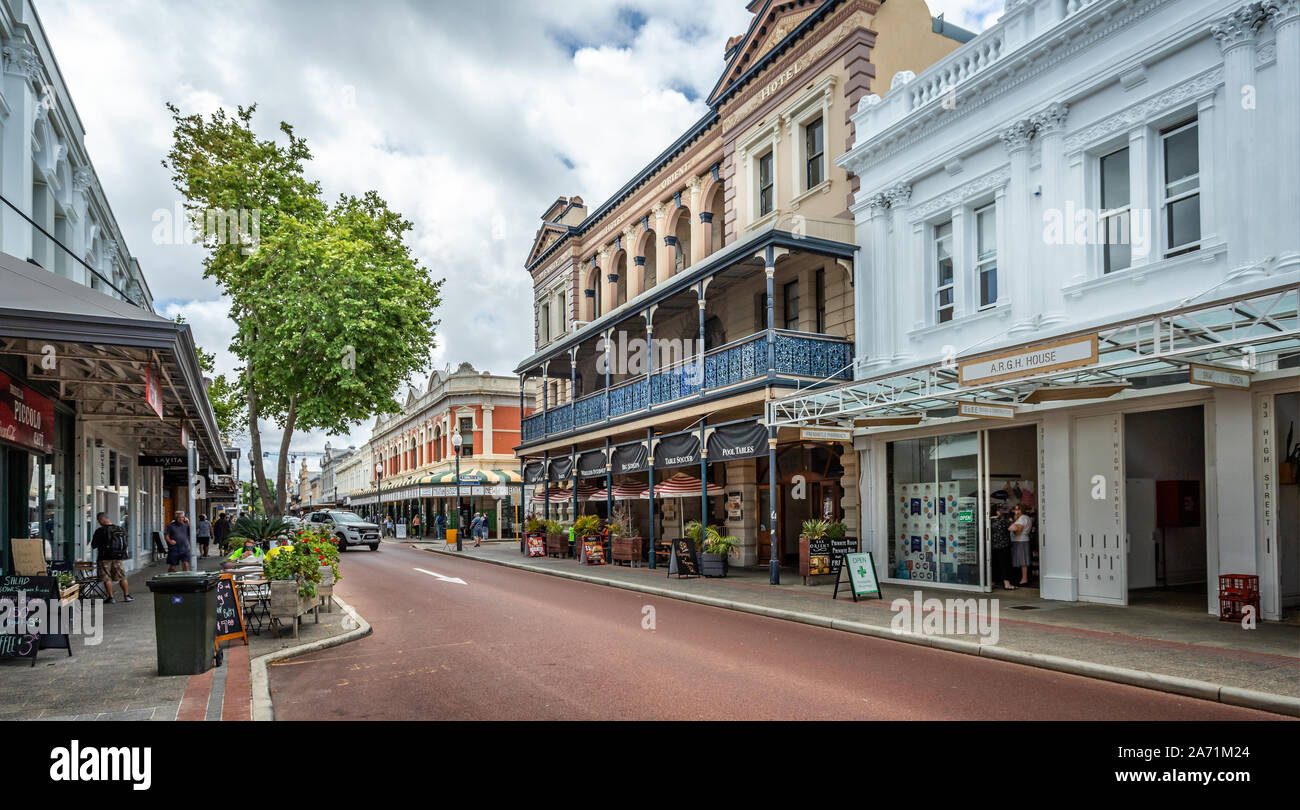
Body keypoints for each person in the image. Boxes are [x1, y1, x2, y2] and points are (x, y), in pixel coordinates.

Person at [90, 512, 132, 603]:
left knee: (107, 578)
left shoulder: (100, 531)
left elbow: (94, 545)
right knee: (122, 577)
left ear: (101, 519)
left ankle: (111, 597)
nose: (98, 522)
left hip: (104, 558)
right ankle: (127, 596)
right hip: (118, 557)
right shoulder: (120, 529)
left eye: (98, 520)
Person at [990, 504, 1015, 590]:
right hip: (1003, 546)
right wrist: (1011, 521)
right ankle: (1007, 584)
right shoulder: (1003, 520)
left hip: (991, 546)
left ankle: (992, 582)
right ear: (997, 512)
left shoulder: (988, 520)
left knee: (994, 564)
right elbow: (1014, 528)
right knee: (1004, 564)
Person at [1010, 503, 1035, 586]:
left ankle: (1024, 578)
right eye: (1015, 509)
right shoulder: (1025, 518)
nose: (1016, 511)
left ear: (1022, 510)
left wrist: (1011, 527)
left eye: (1018, 509)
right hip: (1021, 540)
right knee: (1022, 560)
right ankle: (1023, 578)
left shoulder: (1022, 518)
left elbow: (1018, 532)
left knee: (1022, 560)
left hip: (1020, 541)